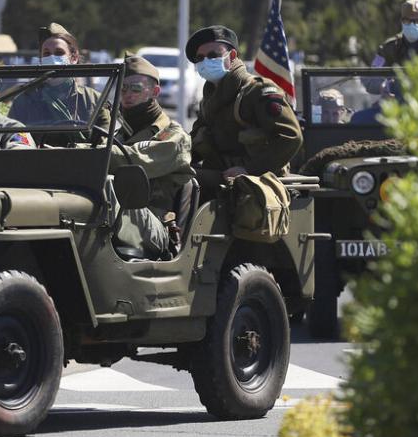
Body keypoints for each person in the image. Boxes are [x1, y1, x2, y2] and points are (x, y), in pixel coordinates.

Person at [185, 25, 303, 195]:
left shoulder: (257, 91)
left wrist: (249, 169)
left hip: (258, 181)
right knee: (175, 179)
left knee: (185, 183)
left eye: (213, 55)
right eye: (200, 58)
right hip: (223, 175)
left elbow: (291, 136)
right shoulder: (210, 99)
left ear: (232, 56)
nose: (205, 62)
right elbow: (194, 143)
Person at [108, 56, 195, 260]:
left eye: (135, 89)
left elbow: (135, 161)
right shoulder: (119, 135)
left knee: (105, 188)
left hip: (156, 227)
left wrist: (92, 152)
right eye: (123, 89)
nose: (128, 95)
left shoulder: (174, 136)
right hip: (125, 217)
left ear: (155, 92)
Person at [8, 22, 111, 145]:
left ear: (74, 58)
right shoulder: (23, 101)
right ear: (41, 60)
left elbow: (105, 146)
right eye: (46, 53)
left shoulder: (94, 100)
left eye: (59, 53)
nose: (52, 58)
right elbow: (14, 143)